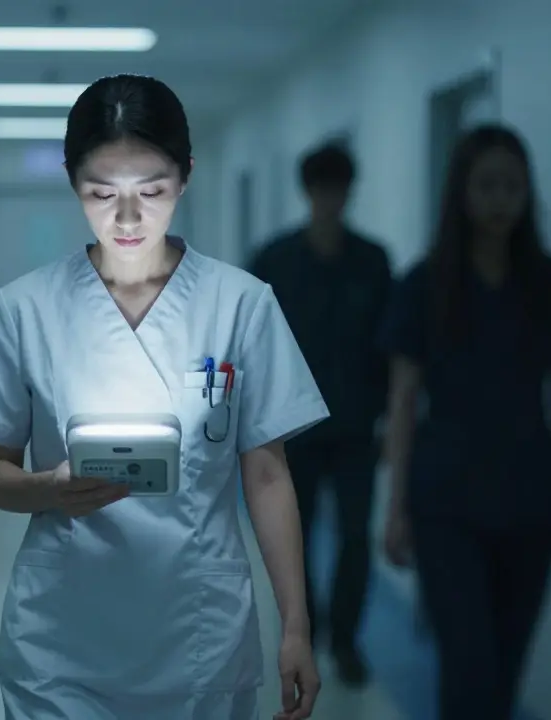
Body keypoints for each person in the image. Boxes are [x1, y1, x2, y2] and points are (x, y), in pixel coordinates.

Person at [0, 74, 327, 720]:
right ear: (72, 181)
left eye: (151, 191)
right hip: (58, 643)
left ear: (186, 176)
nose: (126, 217)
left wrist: (296, 627)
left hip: (198, 633)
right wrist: (51, 488)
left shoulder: (240, 305)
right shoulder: (25, 309)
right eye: (101, 193)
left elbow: (266, 474)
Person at [378, 124, 551, 720]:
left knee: (506, 668)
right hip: (446, 501)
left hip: (531, 496)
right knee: (467, 667)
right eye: (487, 185)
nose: (501, 199)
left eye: (513, 186)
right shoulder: (424, 284)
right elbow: (404, 400)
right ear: (462, 193)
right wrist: (395, 508)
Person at [246, 142, 392, 686]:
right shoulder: (275, 261)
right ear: (307, 191)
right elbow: (253, 343)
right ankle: (306, 630)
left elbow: (389, 348)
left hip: (356, 427)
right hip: (293, 429)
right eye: (322, 189)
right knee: (296, 536)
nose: (331, 199)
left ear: (349, 192)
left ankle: (347, 640)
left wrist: (387, 419)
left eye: (339, 189)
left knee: (355, 536)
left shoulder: (372, 262)